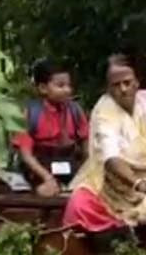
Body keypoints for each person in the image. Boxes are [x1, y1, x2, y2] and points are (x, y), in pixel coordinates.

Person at [63, 56, 146, 233]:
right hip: (112, 184)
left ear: (137, 83)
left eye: (127, 82)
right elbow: (111, 159)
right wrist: (140, 184)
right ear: (108, 88)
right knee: (79, 204)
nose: (123, 89)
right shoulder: (104, 111)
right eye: (116, 85)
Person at [10, 59, 88, 197]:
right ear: (43, 88)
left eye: (68, 85)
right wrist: (47, 178)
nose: (67, 90)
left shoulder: (75, 110)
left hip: (69, 165)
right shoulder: (31, 113)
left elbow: (87, 150)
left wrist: (84, 176)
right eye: (60, 85)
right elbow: (26, 155)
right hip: (38, 169)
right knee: (43, 191)